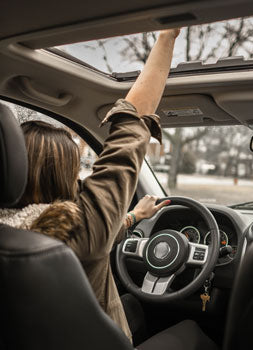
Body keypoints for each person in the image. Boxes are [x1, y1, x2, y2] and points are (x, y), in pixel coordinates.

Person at [0, 29, 178, 342]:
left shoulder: (11, 239)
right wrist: (167, 37)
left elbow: (103, 230)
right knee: (191, 334)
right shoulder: (77, 228)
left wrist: (134, 217)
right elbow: (132, 124)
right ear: (66, 176)